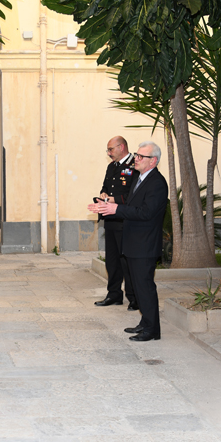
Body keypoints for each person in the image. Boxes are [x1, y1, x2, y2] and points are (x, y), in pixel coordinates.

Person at [89, 141, 168, 342]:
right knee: (138, 286)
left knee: (145, 286)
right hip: (134, 242)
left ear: (154, 161)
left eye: (142, 157)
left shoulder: (157, 182)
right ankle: (145, 322)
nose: (137, 159)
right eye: (137, 155)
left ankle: (153, 330)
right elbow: (129, 203)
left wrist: (116, 210)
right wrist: (107, 204)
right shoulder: (140, 178)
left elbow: (146, 212)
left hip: (145, 244)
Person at [94, 136, 138, 311]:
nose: (109, 153)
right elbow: (106, 187)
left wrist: (115, 199)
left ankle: (134, 297)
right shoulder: (112, 167)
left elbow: (134, 195)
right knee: (111, 261)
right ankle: (114, 294)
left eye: (111, 149)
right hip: (111, 220)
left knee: (127, 261)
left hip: (125, 221)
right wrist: (103, 195)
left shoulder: (135, 165)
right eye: (108, 150)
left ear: (122, 147)